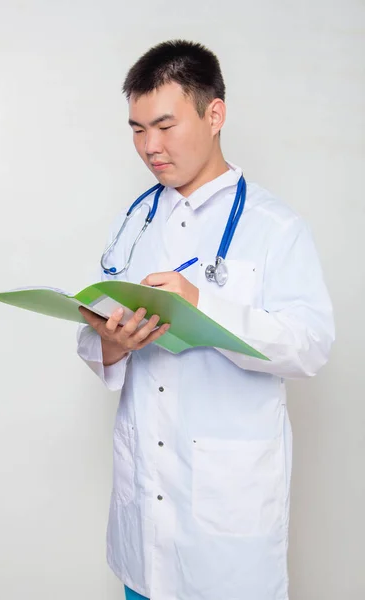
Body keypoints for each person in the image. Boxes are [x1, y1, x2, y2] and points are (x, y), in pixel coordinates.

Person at [76, 40, 334, 600]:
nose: (150, 147)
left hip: (228, 528)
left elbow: (311, 346)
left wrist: (204, 305)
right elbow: (94, 331)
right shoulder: (134, 222)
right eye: (137, 129)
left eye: (164, 126)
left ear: (214, 114)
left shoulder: (274, 227)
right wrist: (111, 345)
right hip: (144, 521)